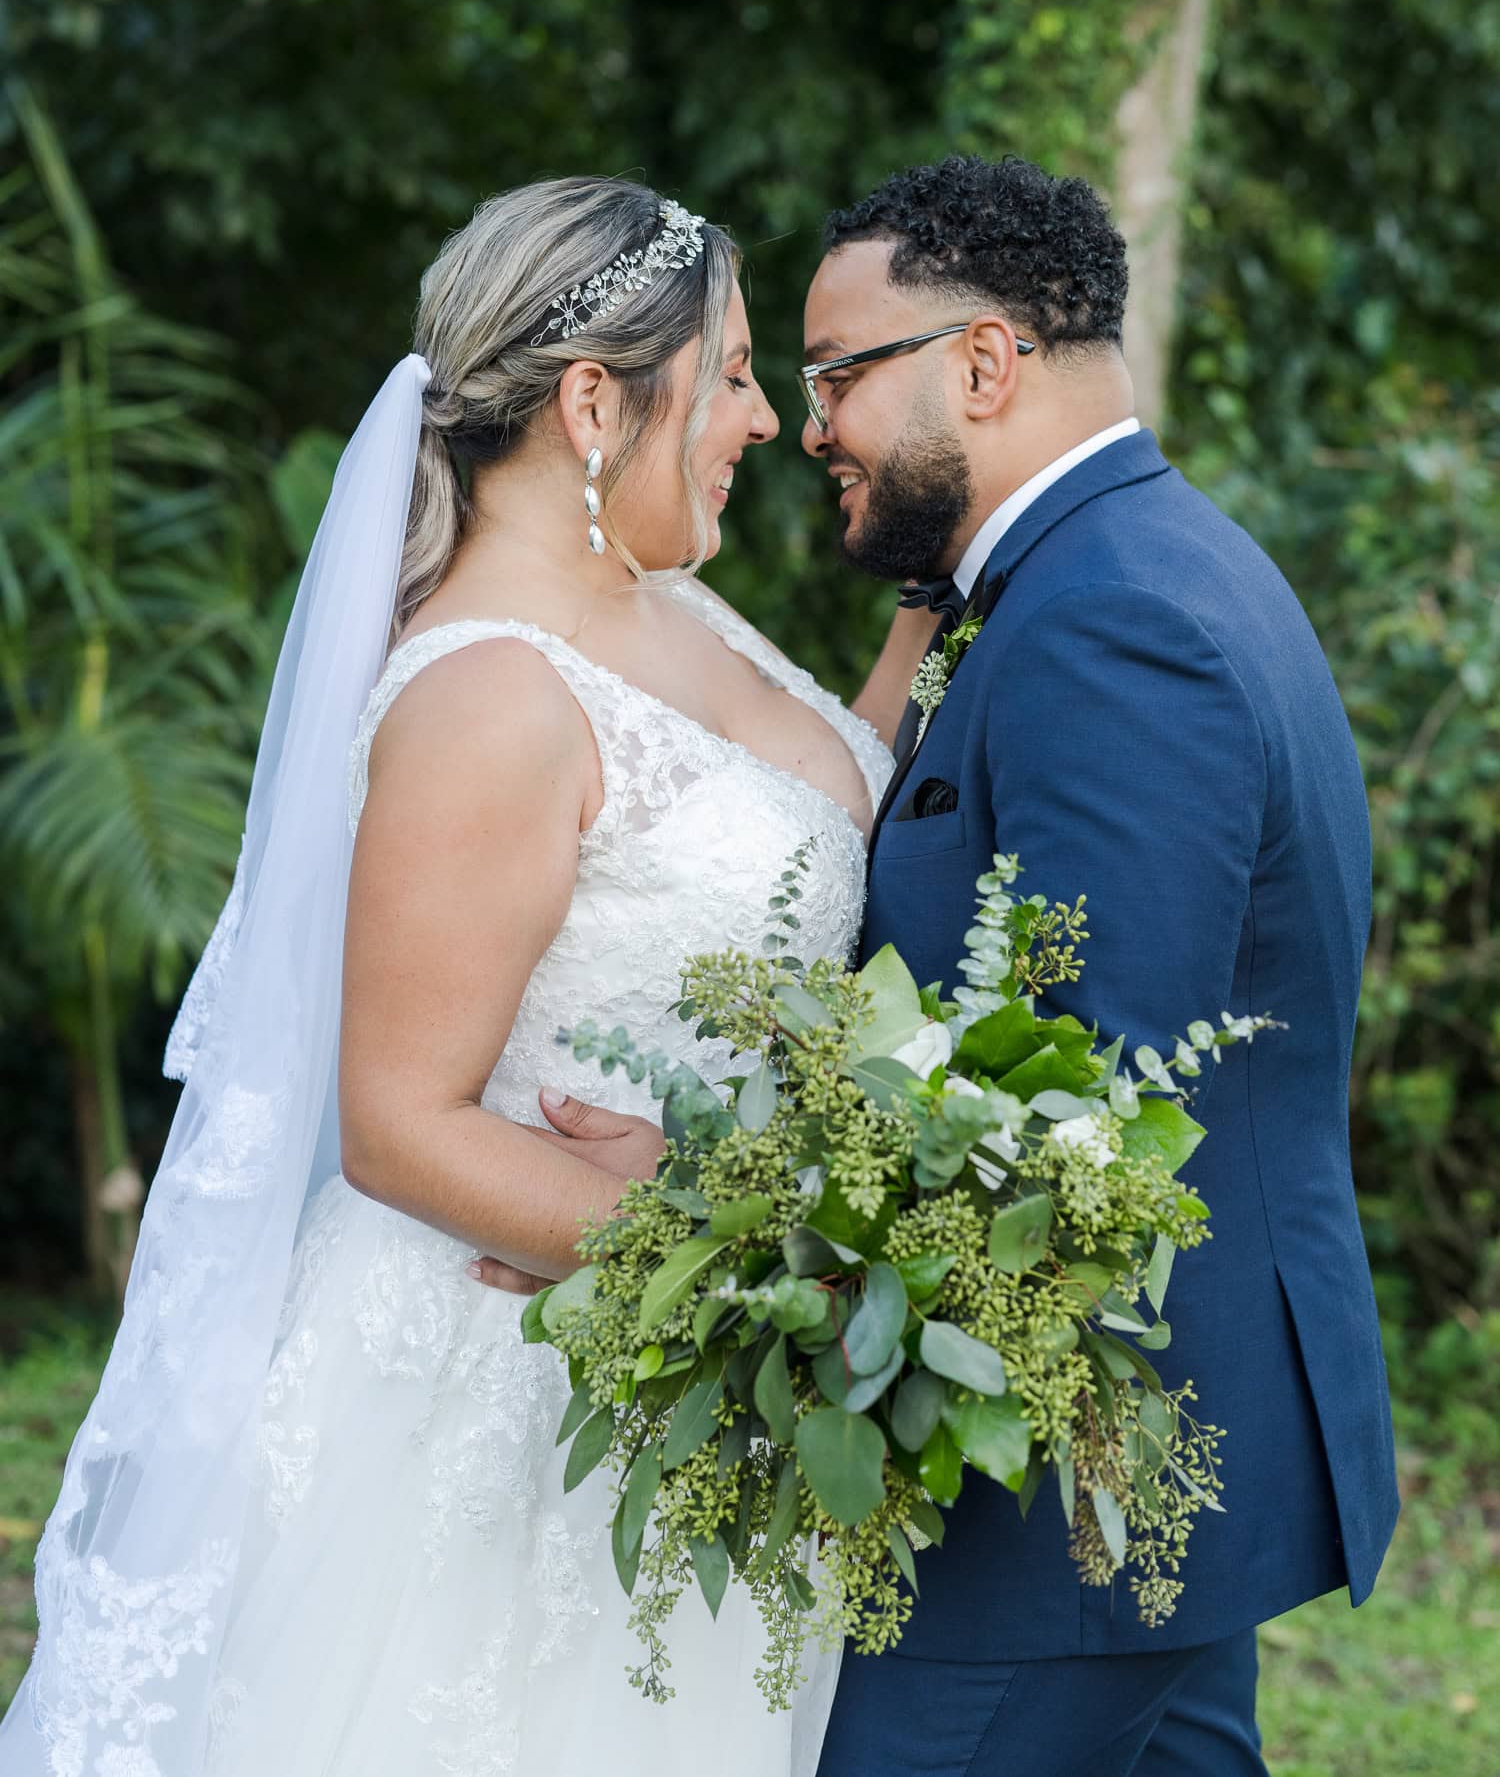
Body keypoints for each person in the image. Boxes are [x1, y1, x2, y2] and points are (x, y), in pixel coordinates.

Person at [1, 178, 892, 1777]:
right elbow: (398, 1123)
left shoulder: (668, 601)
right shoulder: (490, 693)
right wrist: (751, 1264)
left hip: (687, 1379)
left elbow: (822, 796)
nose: (765, 418)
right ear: (594, 403)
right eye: (739, 373)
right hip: (503, 1396)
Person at [799, 153, 1399, 1776]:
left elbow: (1081, 1107)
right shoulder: (1130, 562)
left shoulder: (1102, 620)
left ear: (981, 363)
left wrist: (713, 1198)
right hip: (1154, 1477)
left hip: (1072, 1490)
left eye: (836, 374)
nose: (810, 426)